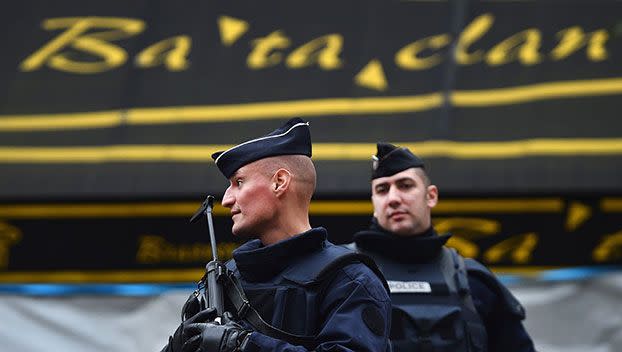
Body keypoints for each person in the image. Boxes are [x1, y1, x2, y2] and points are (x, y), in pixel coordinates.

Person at [160, 118, 392, 352]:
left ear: (279, 182)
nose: (227, 199)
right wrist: (177, 347)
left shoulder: (350, 281)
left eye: (239, 182)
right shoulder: (227, 279)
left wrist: (245, 345)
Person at [347, 142, 536, 352]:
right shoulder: (343, 275)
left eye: (405, 185)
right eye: (382, 190)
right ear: (374, 203)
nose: (393, 198)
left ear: (431, 196)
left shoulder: (474, 282)